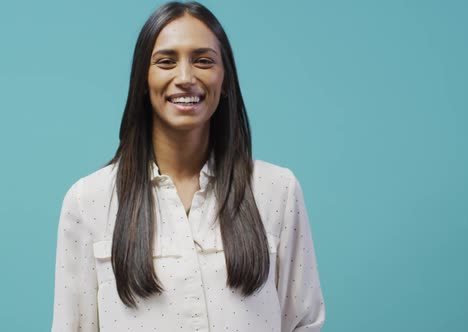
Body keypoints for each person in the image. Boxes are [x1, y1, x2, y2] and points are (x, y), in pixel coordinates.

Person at [51, 1, 325, 331]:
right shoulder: (87, 201)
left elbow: (303, 323)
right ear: (143, 78)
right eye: (166, 61)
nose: (185, 77)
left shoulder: (278, 190)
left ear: (225, 80)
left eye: (203, 61)